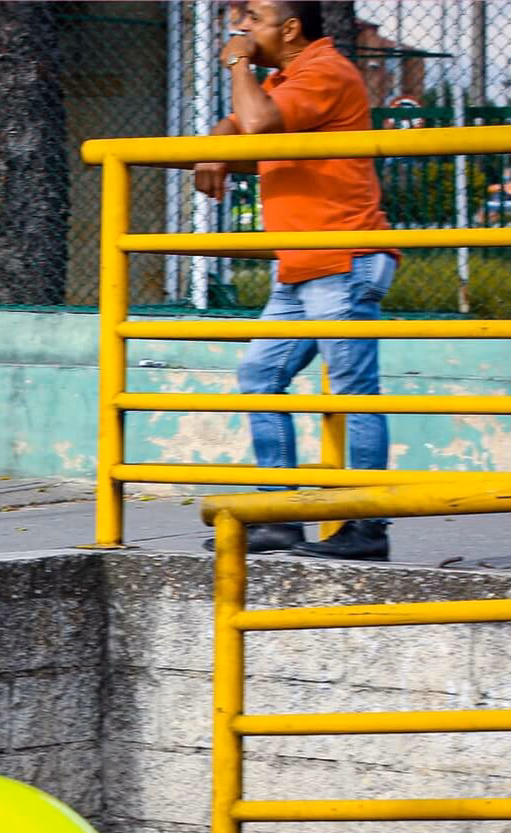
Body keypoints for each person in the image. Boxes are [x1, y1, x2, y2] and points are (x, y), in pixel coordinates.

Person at [197, 0, 401, 561]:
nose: (243, 28)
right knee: (260, 373)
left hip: (344, 255)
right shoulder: (290, 78)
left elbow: (257, 123)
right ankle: (279, 514)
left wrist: (238, 64)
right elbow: (241, 123)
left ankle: (366, 524)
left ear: (289, 29)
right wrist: (217, 143)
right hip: (303, 265)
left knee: (355, 389)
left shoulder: (326, 72)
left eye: (255, 19)